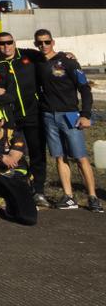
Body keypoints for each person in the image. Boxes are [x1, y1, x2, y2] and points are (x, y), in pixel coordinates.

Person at [34, 30, 100, 212]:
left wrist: (85, 114)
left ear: (53, 42)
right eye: (39, 43)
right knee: (59, 156)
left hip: (70, 115)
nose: (43, 46)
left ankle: (93, 197)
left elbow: (84, 88)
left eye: (47, 42)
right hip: (49, 116)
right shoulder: (38, 63)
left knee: (80, 157)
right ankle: (68, 196)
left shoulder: (68, 62)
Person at [0, 31, 48, 208]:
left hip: (33, 114)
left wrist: (66, 55)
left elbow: (48, 54)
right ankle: (19, 188)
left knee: (37, 153)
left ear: (14, 43)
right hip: (12, 117)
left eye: (9, 42)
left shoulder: (27, 56)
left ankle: (38, 190)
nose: (6, 46)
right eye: (1, 44)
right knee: (14, 154)